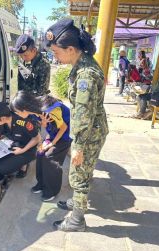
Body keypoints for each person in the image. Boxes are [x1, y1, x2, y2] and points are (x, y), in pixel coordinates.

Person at [44, 18, 109, 232]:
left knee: (78, 175)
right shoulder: (83, 63)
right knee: (82, 172)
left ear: (70, 49)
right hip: (91, 128)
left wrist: (78, 145)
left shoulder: (85, 75)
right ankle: (76, 203)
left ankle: (77, 221)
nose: (55, 56)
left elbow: (82, 113)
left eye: (56, 52)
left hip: (88, 132)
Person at [10, 91, 72, 202]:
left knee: (49, 157)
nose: (17, 115)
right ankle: (41, 184)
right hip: (53, 133)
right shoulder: (33, 109)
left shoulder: (50, 110)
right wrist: (44, 123)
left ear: (24, 109)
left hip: (65, 135)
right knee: (40, 152)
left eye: (17, 112)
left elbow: (63, 128)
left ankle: (51, 190)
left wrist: (52, 143)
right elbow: (45, 125)